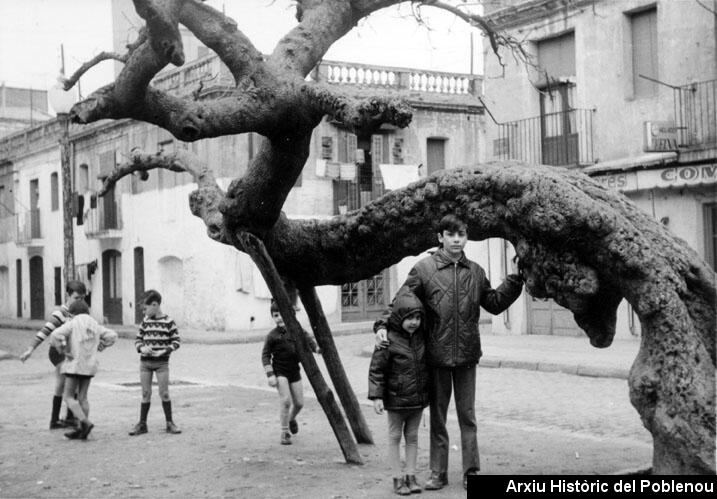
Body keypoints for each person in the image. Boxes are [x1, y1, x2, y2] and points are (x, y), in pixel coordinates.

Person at [374, 214, 524, 490]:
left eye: (462, 235)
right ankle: (437, 473)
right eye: (451, 234)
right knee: (438, 416)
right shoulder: (424, 269)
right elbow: (400, 301)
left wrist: (515, 280)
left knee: (467, 415)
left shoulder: (476, 272)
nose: (457, 240)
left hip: (467, 355)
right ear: (440, 237)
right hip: (435, 355)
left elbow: (493, 303)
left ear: (466, 237)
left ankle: (471, 471)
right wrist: (383, 324)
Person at [368, 289, 429, 496]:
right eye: (409, 318)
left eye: (417, 318)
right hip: (395, 400)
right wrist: (376, 396)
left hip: (417, 400)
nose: (414, 322)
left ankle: (411, 475)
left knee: (412, 437)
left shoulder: (421, 338)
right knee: (395, 436)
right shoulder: (387, 340)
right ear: (399, 318)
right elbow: (376, 370)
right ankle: (397, 477)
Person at [19, 280, 87, 429]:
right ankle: (55, 420)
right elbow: (45, 332)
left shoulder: (80, 313)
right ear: (67, 296)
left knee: (71, 384)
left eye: (82, 298)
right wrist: (31, 349)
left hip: (71, 353)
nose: (80, 301)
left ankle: (67, 418)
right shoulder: (60, 313)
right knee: (63, 383)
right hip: (58, 352)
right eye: (77, 298)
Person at [49, 300, 118, 440]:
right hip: (89, 365)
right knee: (83, 397)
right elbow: (113, 335)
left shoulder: (73, 322)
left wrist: (61, 348)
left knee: (67, 396)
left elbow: (55, 334)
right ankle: (82, 429)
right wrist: (102, 345)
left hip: (74, 364)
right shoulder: (94, 324)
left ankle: (85, 423)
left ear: (71, 313)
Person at [261, 300, 321, 445]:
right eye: (276, 315)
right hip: (280, 371)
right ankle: (284, 432)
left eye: (282, 314)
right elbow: (265, 356)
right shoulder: (272, 336)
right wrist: (270, 375)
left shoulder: (296, 329)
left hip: (294, 370)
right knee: (286, 401)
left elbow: (307, 339)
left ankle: (291, 419)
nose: (279, 318)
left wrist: (316, 348)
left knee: (299, 403)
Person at [128, 289, 182, 436]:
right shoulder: (145, 322)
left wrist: (164, 351)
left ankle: (169, 423)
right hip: (145, 364)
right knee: (145, 393)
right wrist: (142, 348)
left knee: (164, 393)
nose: (144, 312)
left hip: (162, 364)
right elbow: (138, 340)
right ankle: (142, 424)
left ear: (155, 305)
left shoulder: (168, 322)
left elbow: (176, 342)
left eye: (145, 309)